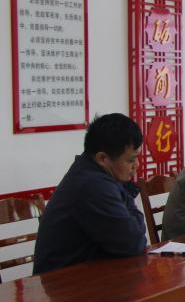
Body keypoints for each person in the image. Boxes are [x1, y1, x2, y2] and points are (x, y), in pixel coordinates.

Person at [33, 113, 148, 274]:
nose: (137, 165)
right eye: (131, 160)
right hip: (63, 281)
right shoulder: (92, 184)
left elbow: (133, 235)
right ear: (102, 158)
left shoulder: (93, 171)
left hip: (86, 274)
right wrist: (135, 224)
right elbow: (133, 243)